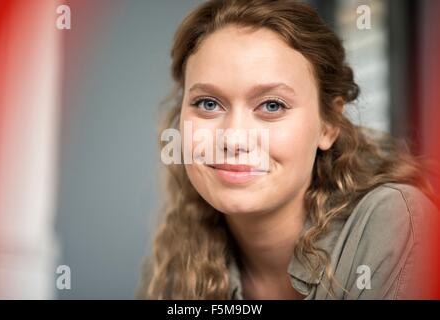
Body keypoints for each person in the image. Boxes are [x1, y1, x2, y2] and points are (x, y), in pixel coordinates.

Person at [137, 0, 440, 299]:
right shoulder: (178, 258)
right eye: (208, 103)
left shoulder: (394, 225)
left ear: (328, 125)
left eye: (272, 105)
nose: (233, 139)